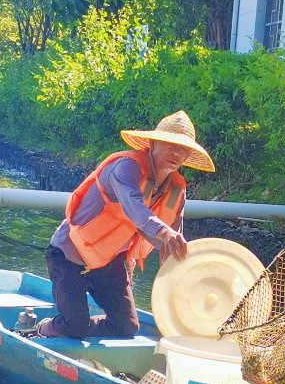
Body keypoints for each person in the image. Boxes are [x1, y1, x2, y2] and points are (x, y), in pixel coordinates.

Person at [34, 110, 215, 339]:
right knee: (75, 327)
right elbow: (135, 209)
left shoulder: (177, 188)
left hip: (109, 261)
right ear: (152, 143)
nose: (176, 153)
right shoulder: (126, 168)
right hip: (69, 254)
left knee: (126, 328)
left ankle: (77, 328)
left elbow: (174, 239)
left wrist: (184, 279)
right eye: (170, 144)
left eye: (183, 149)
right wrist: (165, 233)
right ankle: (46, 328)